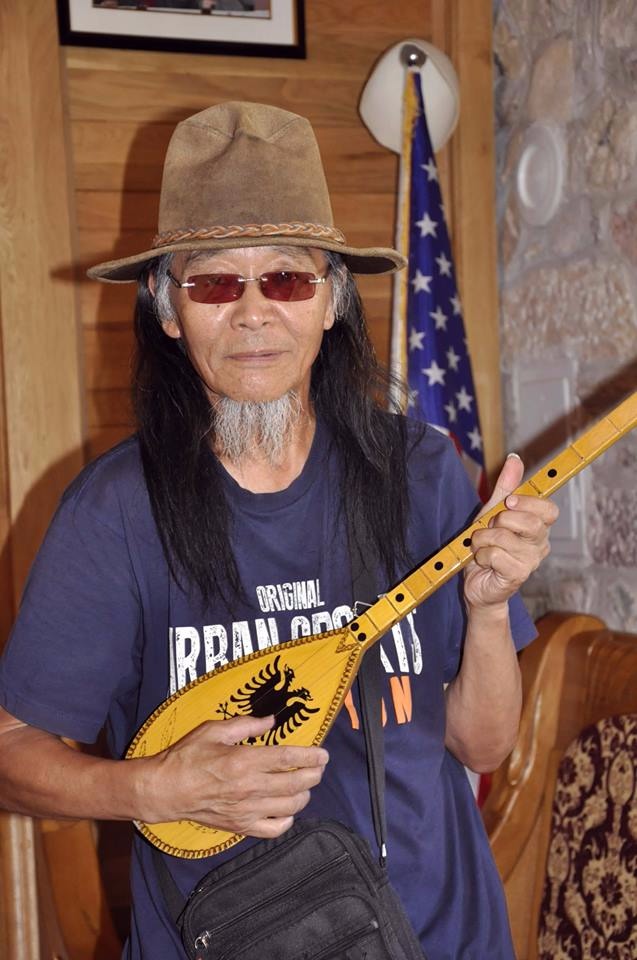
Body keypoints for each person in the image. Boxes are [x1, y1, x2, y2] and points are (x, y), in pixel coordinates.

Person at [0, 101, 557, 959]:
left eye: (288, 279)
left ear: (332, 301)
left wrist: (488, 611)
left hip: (439, 938)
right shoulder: (115, 511)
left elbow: (480, 743)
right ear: (168, 309)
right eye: (215, 284)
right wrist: (155, 789)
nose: (253, 313)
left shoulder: (420, 471)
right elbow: (11, 754)